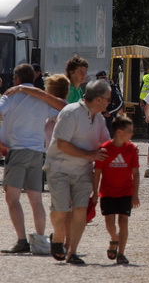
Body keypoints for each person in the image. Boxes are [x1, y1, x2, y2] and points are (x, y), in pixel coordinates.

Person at [46, 80, 111, 264]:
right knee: (61, 211)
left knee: (80, 210)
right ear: (98, 99)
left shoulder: (99, 118)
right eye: (107, 99)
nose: (109, 102)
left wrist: (125, 149)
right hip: (60, 169)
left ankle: (71, 252)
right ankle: (58, 237)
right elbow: (62, 144)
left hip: (83, 171)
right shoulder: (71, 112)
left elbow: (106, 144)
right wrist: (90, 154)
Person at [0, 64, 61, 254]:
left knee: (12, 198)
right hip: (37, 152)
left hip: (17, 150)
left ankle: (21, 240)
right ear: (33, 78)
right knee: (36, 200)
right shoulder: (42, 98)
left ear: (16, 79)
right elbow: (62, 110)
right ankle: (41, 240)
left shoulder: (10, 96)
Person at [91, 116, 140, 265]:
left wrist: (135, 195)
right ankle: (114, 238)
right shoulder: (105, 149)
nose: (131, 134)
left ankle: (121, 253)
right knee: (109, 221)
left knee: (123, 221)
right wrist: (95, 193)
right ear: (119, 132)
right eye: (129, 131)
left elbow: (136, 173)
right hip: (107, 192)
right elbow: (97, 172)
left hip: (126, 192)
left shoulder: (131, 149)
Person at [96, 71, 123, 137]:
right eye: (100, 78)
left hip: (107, 116)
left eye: (104, 78)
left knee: (108, 136)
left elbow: (120, 102)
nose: (102, 80)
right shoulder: (95, 88)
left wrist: (110, 112)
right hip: (96, 115)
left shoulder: (112, 88)